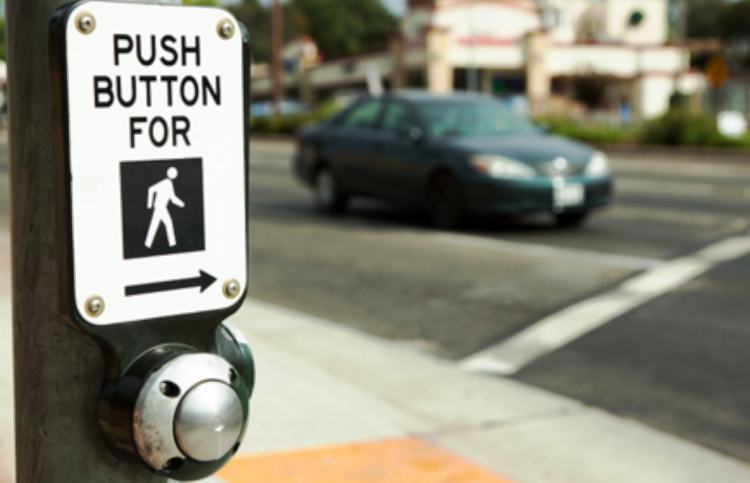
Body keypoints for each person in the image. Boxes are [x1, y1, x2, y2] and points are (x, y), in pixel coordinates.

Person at [145, 167, 184, 248]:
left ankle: (148, 244)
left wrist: (181, 204)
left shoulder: (168, 183)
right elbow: (151, 189)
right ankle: (172, 244)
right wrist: (149, 205)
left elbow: (172, 198)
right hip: (160, 208)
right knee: (167, 223)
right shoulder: (166, 183)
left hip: (160, 207)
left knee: (156, 225)